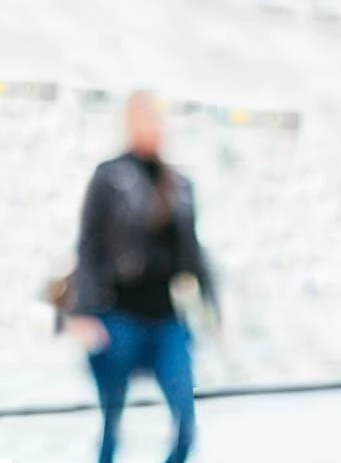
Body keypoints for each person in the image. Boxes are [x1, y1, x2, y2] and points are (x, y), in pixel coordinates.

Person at [67, 90, 218, 463]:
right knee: (112, 422)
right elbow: (88, 246)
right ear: (129, 123)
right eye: (143, 118)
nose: (152, 127)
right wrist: (82, 312)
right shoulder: (109, 176)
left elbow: (194, 254)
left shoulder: (179, 185)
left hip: (167, 317)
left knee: (185, 418)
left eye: (156, 118)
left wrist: (213, 309)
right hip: (118, 314)